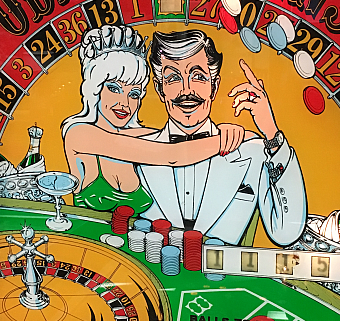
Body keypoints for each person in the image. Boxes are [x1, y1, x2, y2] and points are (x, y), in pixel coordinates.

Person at [137, 29, 307, 246]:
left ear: (214, 86)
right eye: (173, 78)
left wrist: (271, 132)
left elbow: (286, 232)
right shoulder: (140, 152)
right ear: (160, 89)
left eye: (198, 77)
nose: (186, 90)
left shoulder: (251, 151)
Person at [62, 25, 245, 215]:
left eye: (134, 94)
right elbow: (172, 155)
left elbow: (184, 138)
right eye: (114, 89)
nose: (124, 103)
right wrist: (221, 141)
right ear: (95, 89)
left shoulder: (140, 136)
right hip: (87, 235)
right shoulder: (79, 134)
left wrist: (232, 133)